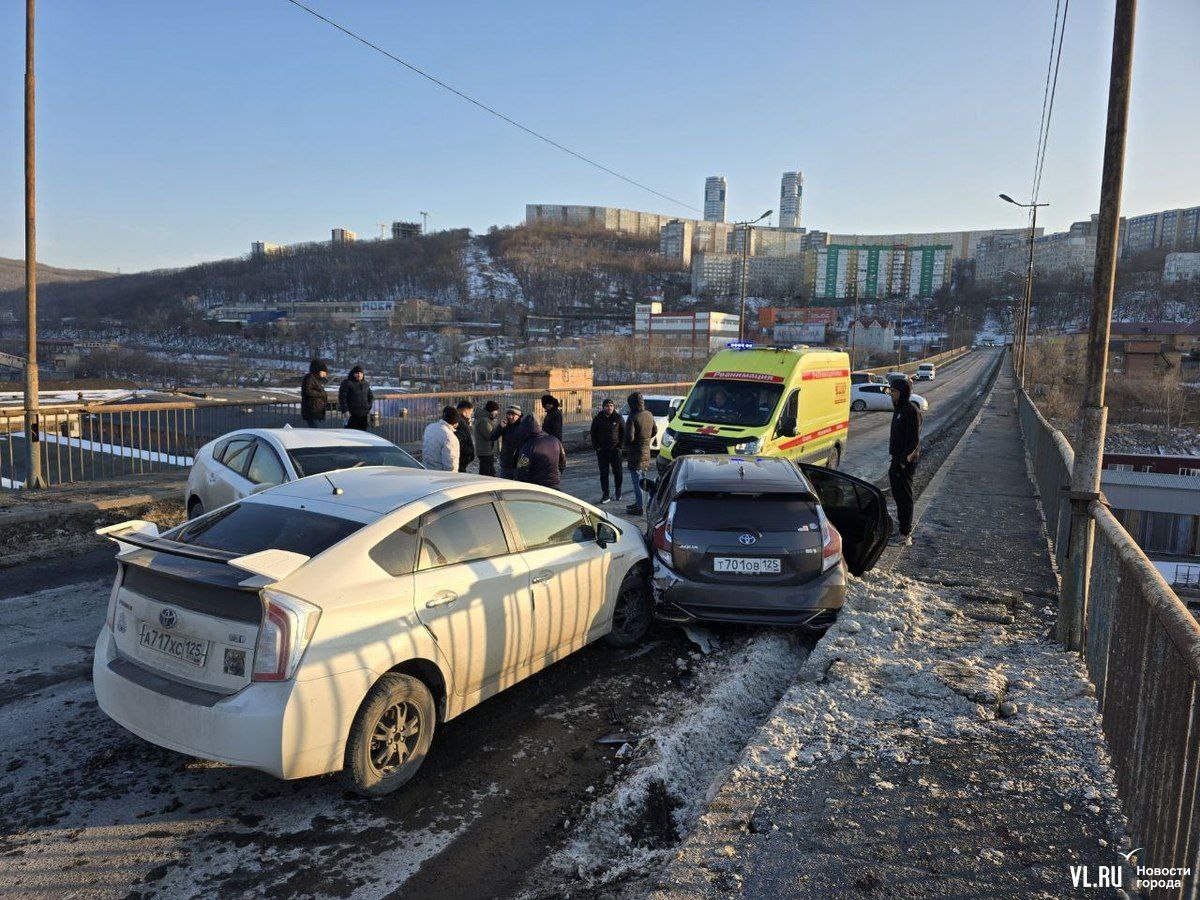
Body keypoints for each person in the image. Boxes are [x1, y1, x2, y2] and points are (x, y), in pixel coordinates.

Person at [888, 375, 922, 546]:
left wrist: (903, 462)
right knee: (898, 496)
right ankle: (901, 530)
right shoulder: (899, 410)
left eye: (894, 391)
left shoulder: (911, 411)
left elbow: (914, 441)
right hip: (896, 460)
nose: (891, 394)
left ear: (903, 392)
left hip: (905, 463)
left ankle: (905, 535)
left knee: (905, 497)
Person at [624, 392, 657, 516]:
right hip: (646, 453)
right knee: (643, 481)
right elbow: (655, 430)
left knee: (637, 482)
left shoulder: (633, 417)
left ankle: (639, 507)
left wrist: (625, 444)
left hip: (635, 454)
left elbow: (630, 438)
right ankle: (641, 503)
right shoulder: (649, 414)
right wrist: (646, 439)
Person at [514, 413, 566, 489]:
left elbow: (521, 471)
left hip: (537, 488)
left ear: (524, 428)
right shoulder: (555, 440)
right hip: (554, 485)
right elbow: (563, 463)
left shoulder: (529, 446)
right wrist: (556, 476)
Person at [589, 397, 625, 504]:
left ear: (614, 407)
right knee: (604, 473)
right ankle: (606, 494)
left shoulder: (618, 418)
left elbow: (624, 433)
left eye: (611, 406)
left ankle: (618, 491)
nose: (609, 408)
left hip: (615, 451)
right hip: (602, 451)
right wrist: (597, 447)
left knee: (618, 473)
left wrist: (620, 447)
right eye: (607, 406)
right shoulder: (598, 419)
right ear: (603, 407)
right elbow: (593, 433)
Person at [422, 406, 460, 472]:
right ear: (456, 423)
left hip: (427, 471)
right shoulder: (450, 437)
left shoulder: (429, 427)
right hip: (440, 476)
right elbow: (450, 464)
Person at [337, 365, 374, 430]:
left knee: (362, 434)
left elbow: (370, 396)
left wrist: (369, 406)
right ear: (353, 374)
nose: (359, 375)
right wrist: (345, 411)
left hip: (364, 415)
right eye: (357, 373)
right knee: (350, 434)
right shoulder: (347, 383)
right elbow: (342, 397)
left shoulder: (365, 383)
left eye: (361, 373)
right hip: (351, 415)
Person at [473, 400, 503, 477]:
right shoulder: (484, 420)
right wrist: (500, 427)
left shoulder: (487, 419)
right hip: (485, 451)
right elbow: (490, 436)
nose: (497, 413)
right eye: (496, 411)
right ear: (491, 411)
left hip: (487, 451)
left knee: (490, 473)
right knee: (485, 475)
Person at [300, 358, 329, 428]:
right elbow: (307, 391)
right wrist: (321, 394)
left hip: (316, 411)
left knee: (316, 431)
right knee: (315, 431)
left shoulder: (317, 379)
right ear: (318, 370)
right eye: (324, 371)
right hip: (312, 411)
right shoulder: (310, 378)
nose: (325, 374)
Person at [497, 405, 524, 478]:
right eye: (508, 414)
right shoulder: (504, 425)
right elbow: (492, 437)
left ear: (519, 415)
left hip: (518, 463)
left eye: (513, 414)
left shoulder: (523, 426)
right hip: (506, 462)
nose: (510, 417)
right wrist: (500, 427)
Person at [455, 400, 476, 473]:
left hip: (460, 459)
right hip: (461, 459)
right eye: (470, 413)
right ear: (464, 413)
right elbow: (460, 442)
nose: (471, 415)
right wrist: (469, 452)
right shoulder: (461, 423)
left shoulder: (460, 422)